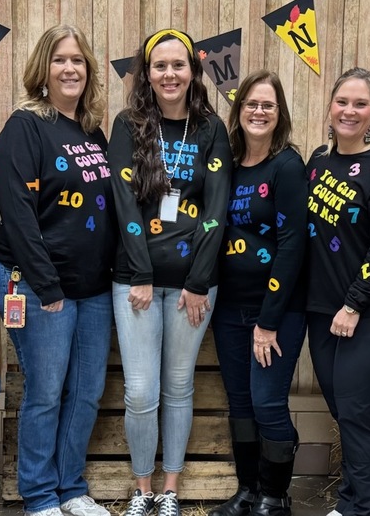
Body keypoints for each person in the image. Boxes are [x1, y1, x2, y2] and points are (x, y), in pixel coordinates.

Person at [0, 25, 117, 516]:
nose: (70, 69)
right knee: (45, 391)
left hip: (94, 286)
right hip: (39, 283)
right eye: (61, 60)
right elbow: (16, 210)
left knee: (86, 391)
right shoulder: (26, 124)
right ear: (43, 68)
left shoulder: (92, 131)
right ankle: (40, 495)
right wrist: (46, 285)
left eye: (79, 61)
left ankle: (72, 488)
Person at [107, 28, 232, 516]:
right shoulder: (127, 124)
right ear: (147, 73)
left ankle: (171, 491)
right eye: (159, 66)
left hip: (193, 286)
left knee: (179, 385)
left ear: (193, 71)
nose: (169, 74)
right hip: (134, 280)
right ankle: (141, 489)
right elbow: (123, 204)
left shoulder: (210, 129)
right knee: (140, 390)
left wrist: (199, 280)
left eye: (178, 65)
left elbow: (218, 206)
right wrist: (140, 272)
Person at [304, 67, 370, 516]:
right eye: (342, 102)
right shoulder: (316, 163)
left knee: (355, 411)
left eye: (360, 104)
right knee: (343, 409)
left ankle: (362, 509)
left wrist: (354, 302)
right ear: (329, 108)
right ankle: (352, 500)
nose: (350, 111)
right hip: (321, 310)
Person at [210, 71, 307, 516]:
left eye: (268, 105)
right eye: (251, 103)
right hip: (229, 305)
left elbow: (292, 244)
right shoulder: (227, 162)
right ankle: (248, 491)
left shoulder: (287, 165)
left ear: (279, 113)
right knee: (242, 404)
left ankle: (275, 496)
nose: (259, 111)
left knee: (268, 402)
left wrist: (268, 321)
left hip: (277, 311)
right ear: (239, 110)